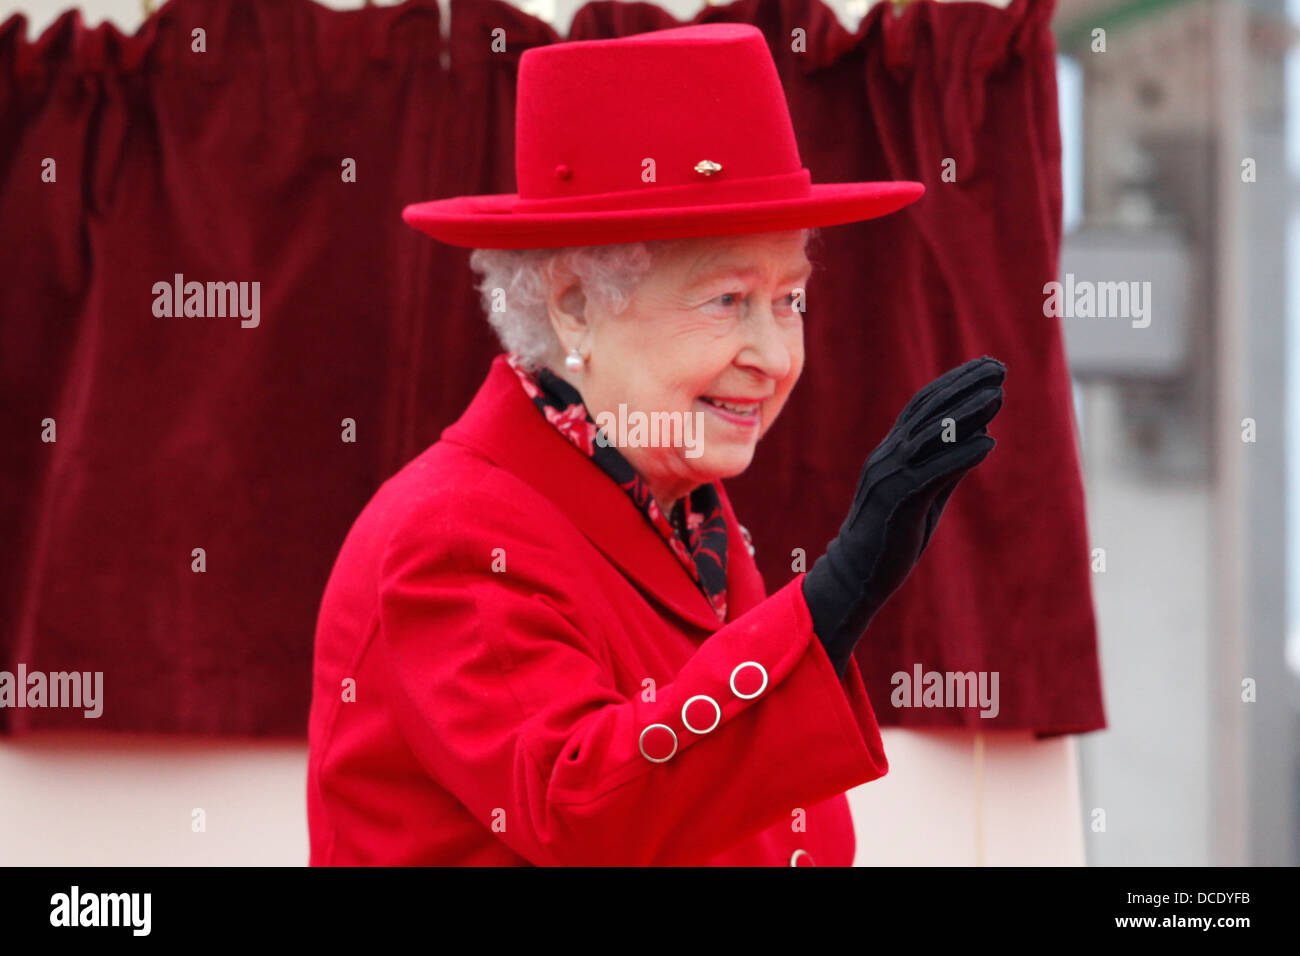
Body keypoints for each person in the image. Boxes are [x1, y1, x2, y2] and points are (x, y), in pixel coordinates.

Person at [307, 22, 1005, 866]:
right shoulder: (453, 533)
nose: (776, 358)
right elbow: (579, 806)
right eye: (725, 301)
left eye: (789, 300)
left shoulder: (680, 505)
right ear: (574, 308)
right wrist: (833, 600)